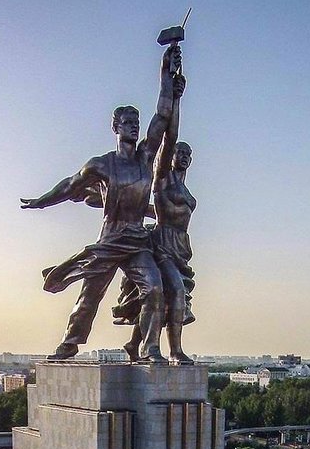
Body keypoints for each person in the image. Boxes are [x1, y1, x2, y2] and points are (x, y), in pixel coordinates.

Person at [22, 44, 183, 363]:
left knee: (153, 289)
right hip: (110, 240)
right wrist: (42, 202)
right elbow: (70, 185)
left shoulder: (145, 158)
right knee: (89, 296)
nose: (135, 127)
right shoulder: (102, 165)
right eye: (128, 123)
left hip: (137, 240)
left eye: (137, 123)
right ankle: (70, 342)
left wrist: (166, 72)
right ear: (116, 128)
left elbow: (163, 116)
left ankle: (150, 346)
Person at [116, 82, 197, 364]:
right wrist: (175, 99)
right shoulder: (163, 180)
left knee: (169, 297)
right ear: (170, 157)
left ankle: (134, 342)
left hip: (181, 248)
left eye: (188, 154)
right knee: (172, 290)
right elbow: (170, 136)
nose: (183, 156)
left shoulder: (187, 191)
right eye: (179, 153)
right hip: (162, 242)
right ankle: (170, 350)